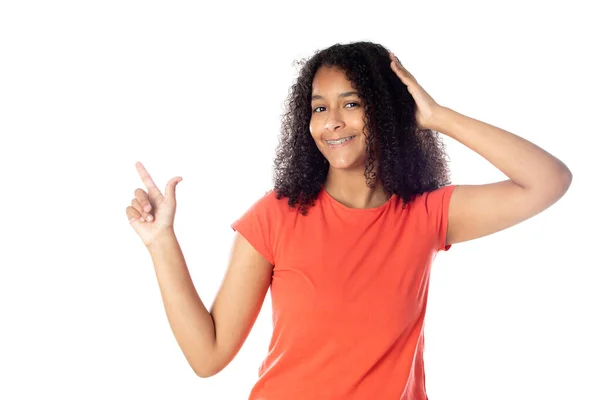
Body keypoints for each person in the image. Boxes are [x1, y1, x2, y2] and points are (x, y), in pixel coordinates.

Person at [125, 41, 572, 399]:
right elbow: (209, 356)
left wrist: (437, 118)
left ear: (387, 111)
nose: (332, 122)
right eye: (319, 108)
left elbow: (547, 181)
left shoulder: (425, 213)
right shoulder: (277, 215)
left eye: (352, 103)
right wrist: (161, 241)